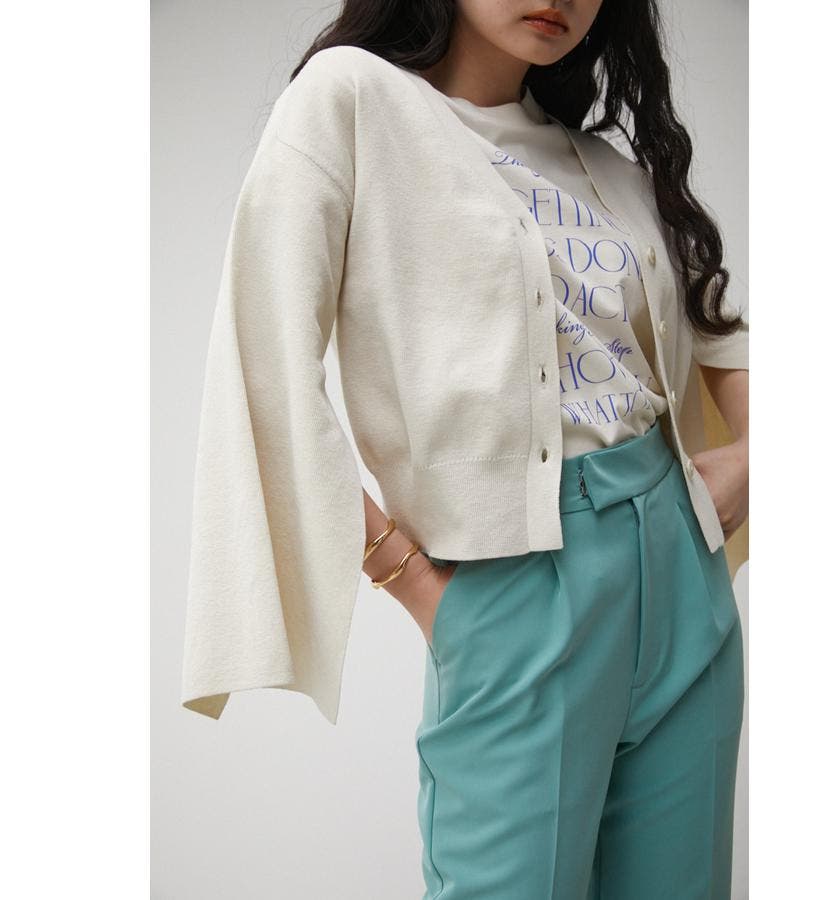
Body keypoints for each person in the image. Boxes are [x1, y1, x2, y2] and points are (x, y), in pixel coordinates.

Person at [181, 1, 749, 897]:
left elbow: (718, 327)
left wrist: (753, 460)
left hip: (686, 587)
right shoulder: (352, 100)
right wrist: (414, 581)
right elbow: (265, 371)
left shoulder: (605, 165)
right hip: (518, 594)